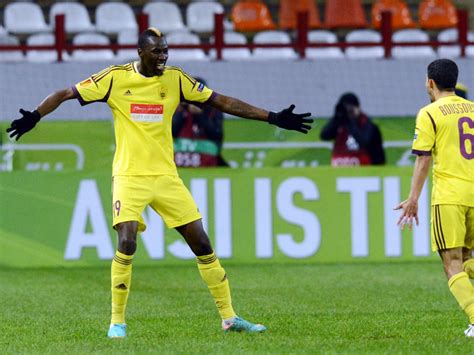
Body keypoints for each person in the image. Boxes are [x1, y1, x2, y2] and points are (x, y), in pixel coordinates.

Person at [5, 28, 313, 338]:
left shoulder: (176, 79)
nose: (163, 56)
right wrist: (35, 115)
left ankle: (230, 318)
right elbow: (65, 93)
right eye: (157, 52)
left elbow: (221, 102)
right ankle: (117, 323)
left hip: (166, 177)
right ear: (141, 53)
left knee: (202, 244)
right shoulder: (114, 78)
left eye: (165, 50)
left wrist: (272, 117)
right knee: (127, 241)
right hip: (129, 177)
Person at [394, 59, 474, 337]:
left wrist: (413, 198)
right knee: (465, 259)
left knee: (451, 262)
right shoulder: (473, 110)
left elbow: (423, 158)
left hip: (450, 196)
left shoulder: (429, 113)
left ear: (430, 82)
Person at [172, 77, 227, 167]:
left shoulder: (214, 111)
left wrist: (200, 115)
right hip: (179, 162)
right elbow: (172, 132)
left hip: (207, 162)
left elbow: (216, 135)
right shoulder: (179, 109)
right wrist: (181, 112)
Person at [320, 92, 385, 166]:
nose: (347, 112)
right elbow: (324, 136)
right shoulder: (339, 123)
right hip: (339, 170)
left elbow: (364, 142)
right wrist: (336, 118)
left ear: (358, 108)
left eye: (350, 108)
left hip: (364, 171)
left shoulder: (368, 125)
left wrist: (350, 122)